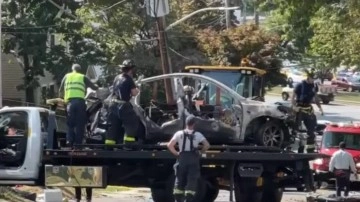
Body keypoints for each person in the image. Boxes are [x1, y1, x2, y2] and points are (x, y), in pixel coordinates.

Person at [167, 115, 210, 202]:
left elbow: (169, 145)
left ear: (186, 123)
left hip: (182, 158)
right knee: (192, 179)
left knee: (179, 178)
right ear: (194, 124)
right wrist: (200, 152)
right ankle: (188, 199)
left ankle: (178, 199)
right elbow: (207, 145)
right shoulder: (198, 135)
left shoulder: (179, 133)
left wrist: (177, 154)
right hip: (193, 159)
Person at [59, 64, 98, 148]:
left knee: (70, 123)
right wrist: (97, 86)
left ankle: (69, 141)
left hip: (69, 103)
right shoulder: (82, 77)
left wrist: (63, 100)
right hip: (80, 103)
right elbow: (94, 87)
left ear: (72, 69)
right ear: (80, 70)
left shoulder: (67, 76)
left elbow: (60, 89)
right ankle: (78, 144)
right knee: (80, 124)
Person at [105, 59, 140, 146]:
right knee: (132, 122)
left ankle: (109, 145)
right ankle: (128, 144)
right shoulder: (129, 79)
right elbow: (134, 93)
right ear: (131, 69)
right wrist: (138, 88)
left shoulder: (117, 77)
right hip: (123, 105)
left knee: (113, 126)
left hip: (113, 104)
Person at [291, 71, 324, 153]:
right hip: (300, 108)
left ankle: (310, 149)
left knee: (311, 130)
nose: (313, 81)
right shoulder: (300, 85)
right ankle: (295, 148)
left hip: (308, 109)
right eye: (313, 79)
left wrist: (320, 108)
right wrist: (294, 107)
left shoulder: (313, 86)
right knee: (296, 129)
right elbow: (293, 97)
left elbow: (316, 98)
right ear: (308, 78)